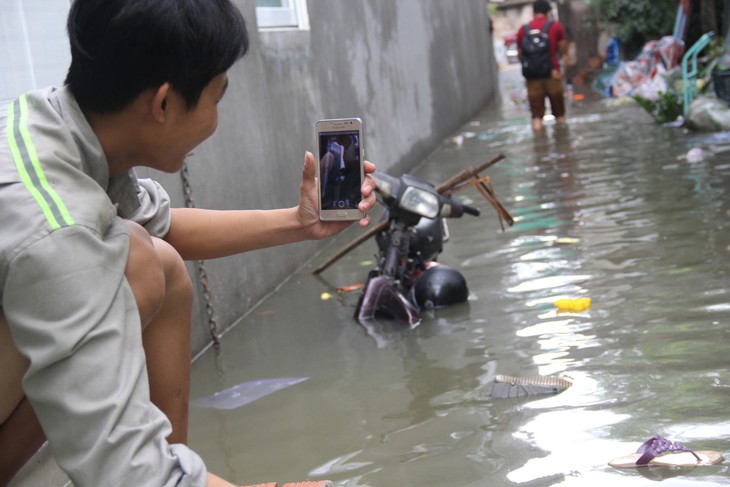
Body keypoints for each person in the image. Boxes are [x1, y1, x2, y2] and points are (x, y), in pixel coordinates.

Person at [0, 0, 375, 486]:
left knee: (155, 261)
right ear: (162, 104)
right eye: (216, 99)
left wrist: (300, 222)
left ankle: (173, 462)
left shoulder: (54, 128)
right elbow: (117, 464)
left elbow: (166, 226)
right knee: (133, 259)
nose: (215, 119)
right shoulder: (59, 231)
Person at [516, 0, 568, 131]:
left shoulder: (523, 30)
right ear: (548, 12)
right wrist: (561, 69)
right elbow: (563, 50)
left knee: (536, 116)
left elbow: (520, 54)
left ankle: (539, 146)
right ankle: (563, 144)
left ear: (533, 12)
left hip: (532, 77)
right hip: (553, 74)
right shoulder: (556, 26)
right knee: (559, 115)